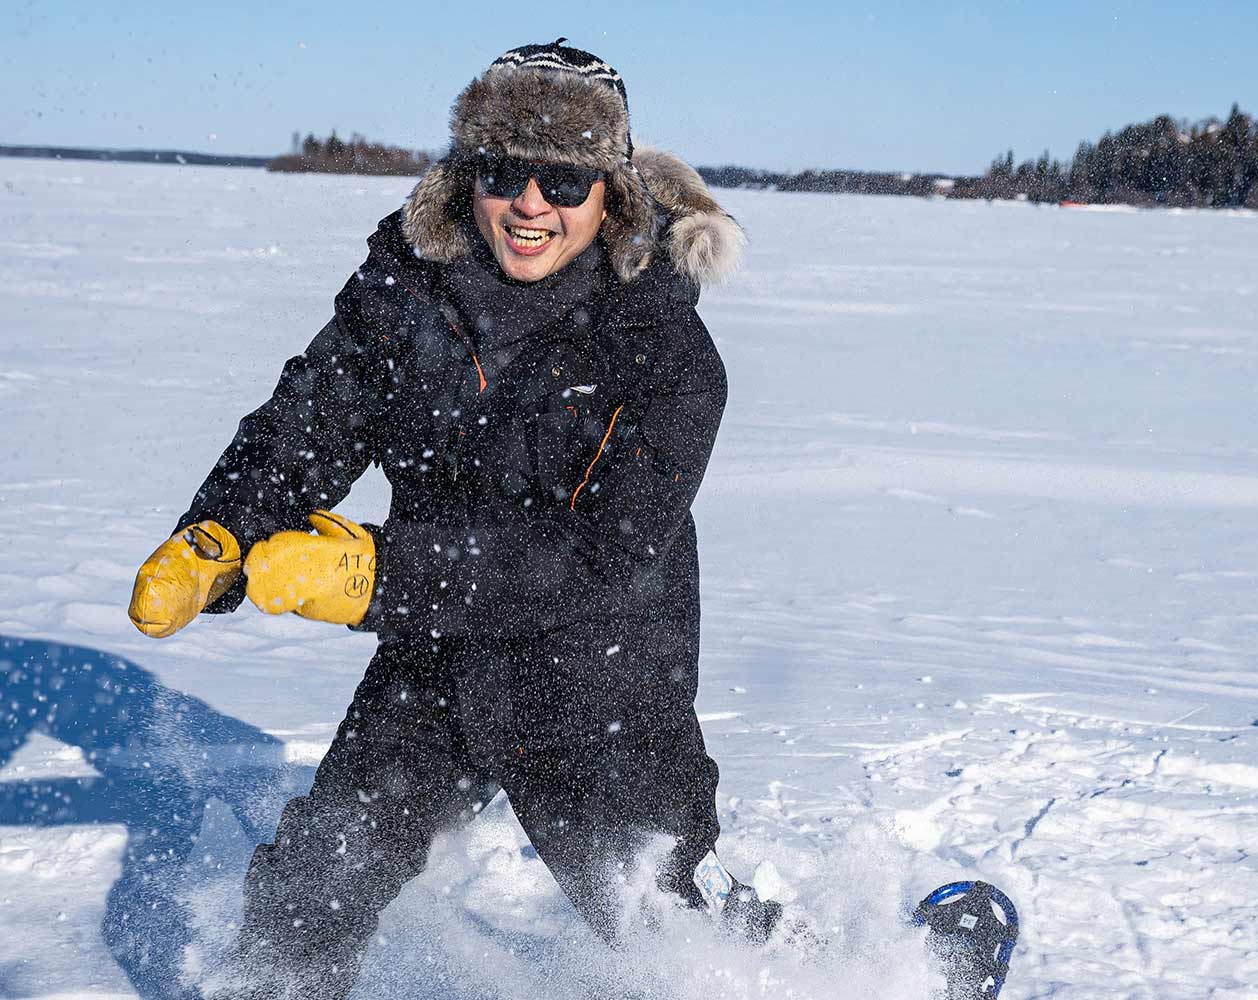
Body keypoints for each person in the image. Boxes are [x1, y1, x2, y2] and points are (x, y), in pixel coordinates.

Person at [126, 40, 780, 999]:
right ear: (464, 176)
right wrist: (220, 531)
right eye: (502, 171)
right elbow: (312, 421)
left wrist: (375, 578)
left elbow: (603, 556)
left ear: (613, 196)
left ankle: (890, 974)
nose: (529, 203)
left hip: (599, 675)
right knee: (317, 886)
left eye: (563, 180)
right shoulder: (407, 289)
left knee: (670, 928)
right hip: (434, 661)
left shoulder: (665, 350)